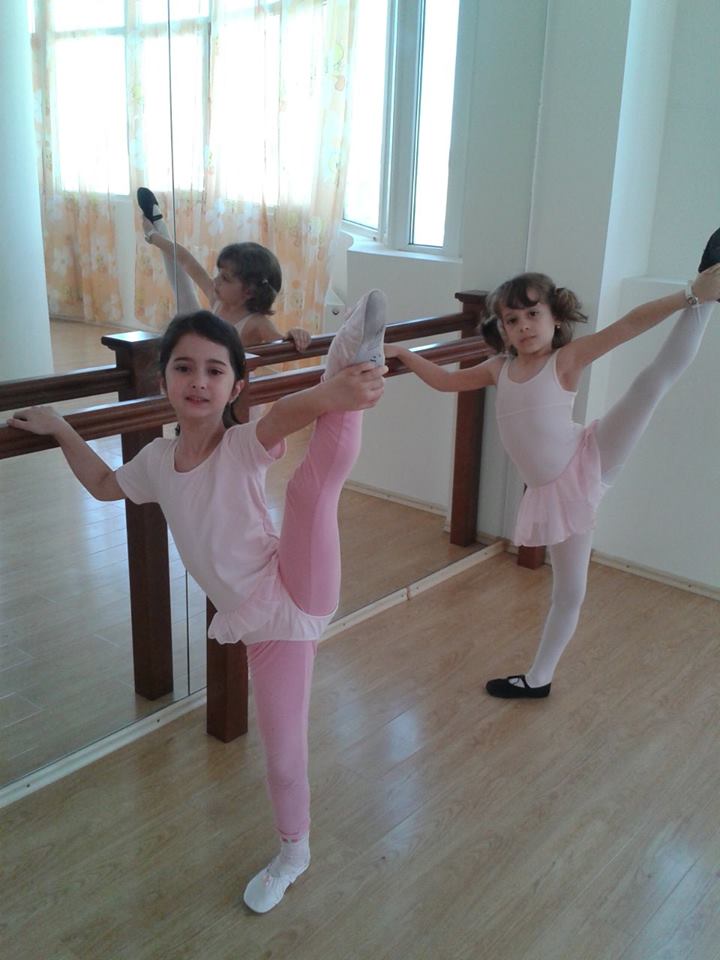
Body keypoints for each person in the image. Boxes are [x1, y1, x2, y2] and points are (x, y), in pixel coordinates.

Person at [8, 289, 388, 913]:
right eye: (184, 367)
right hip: (263, 626)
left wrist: (335, 394)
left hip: (295, 580)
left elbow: (285, 415)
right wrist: (61, 427)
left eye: (215, 370)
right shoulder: (157, 460)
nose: (199, 381)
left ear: (236, 386)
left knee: (311, 494)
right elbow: (103, 484)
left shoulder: (240, 445)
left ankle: (352, 358)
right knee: (283, 755)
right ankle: (296, 849)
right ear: (163, 379)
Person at [385, 232, 720, 699]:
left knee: (650, 384)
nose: (524, 326)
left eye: (533, 314)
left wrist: (689, 295)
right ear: (502, 330)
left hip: (590, 457)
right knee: (569, 591)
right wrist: (404, 354)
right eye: (512, 319)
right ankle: (538, 680)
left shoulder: (565, 360)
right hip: (554, 494)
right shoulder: (498, 369)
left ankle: (708, 292)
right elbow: (444, 382)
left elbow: (629, 326)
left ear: (555, 318)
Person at [137, 187, 311, 351]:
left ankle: (158, 227)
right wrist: (153, 237)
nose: (216, 280)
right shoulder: (218, 301)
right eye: (219, 274)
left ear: (249, 291)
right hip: (203, 357)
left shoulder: (257, 323)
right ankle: (158, 223)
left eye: (225, 278)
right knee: (183, 291)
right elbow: (186, 260)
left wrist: (294, 334)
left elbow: (281, 345)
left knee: (187, 312)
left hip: (218, 370)